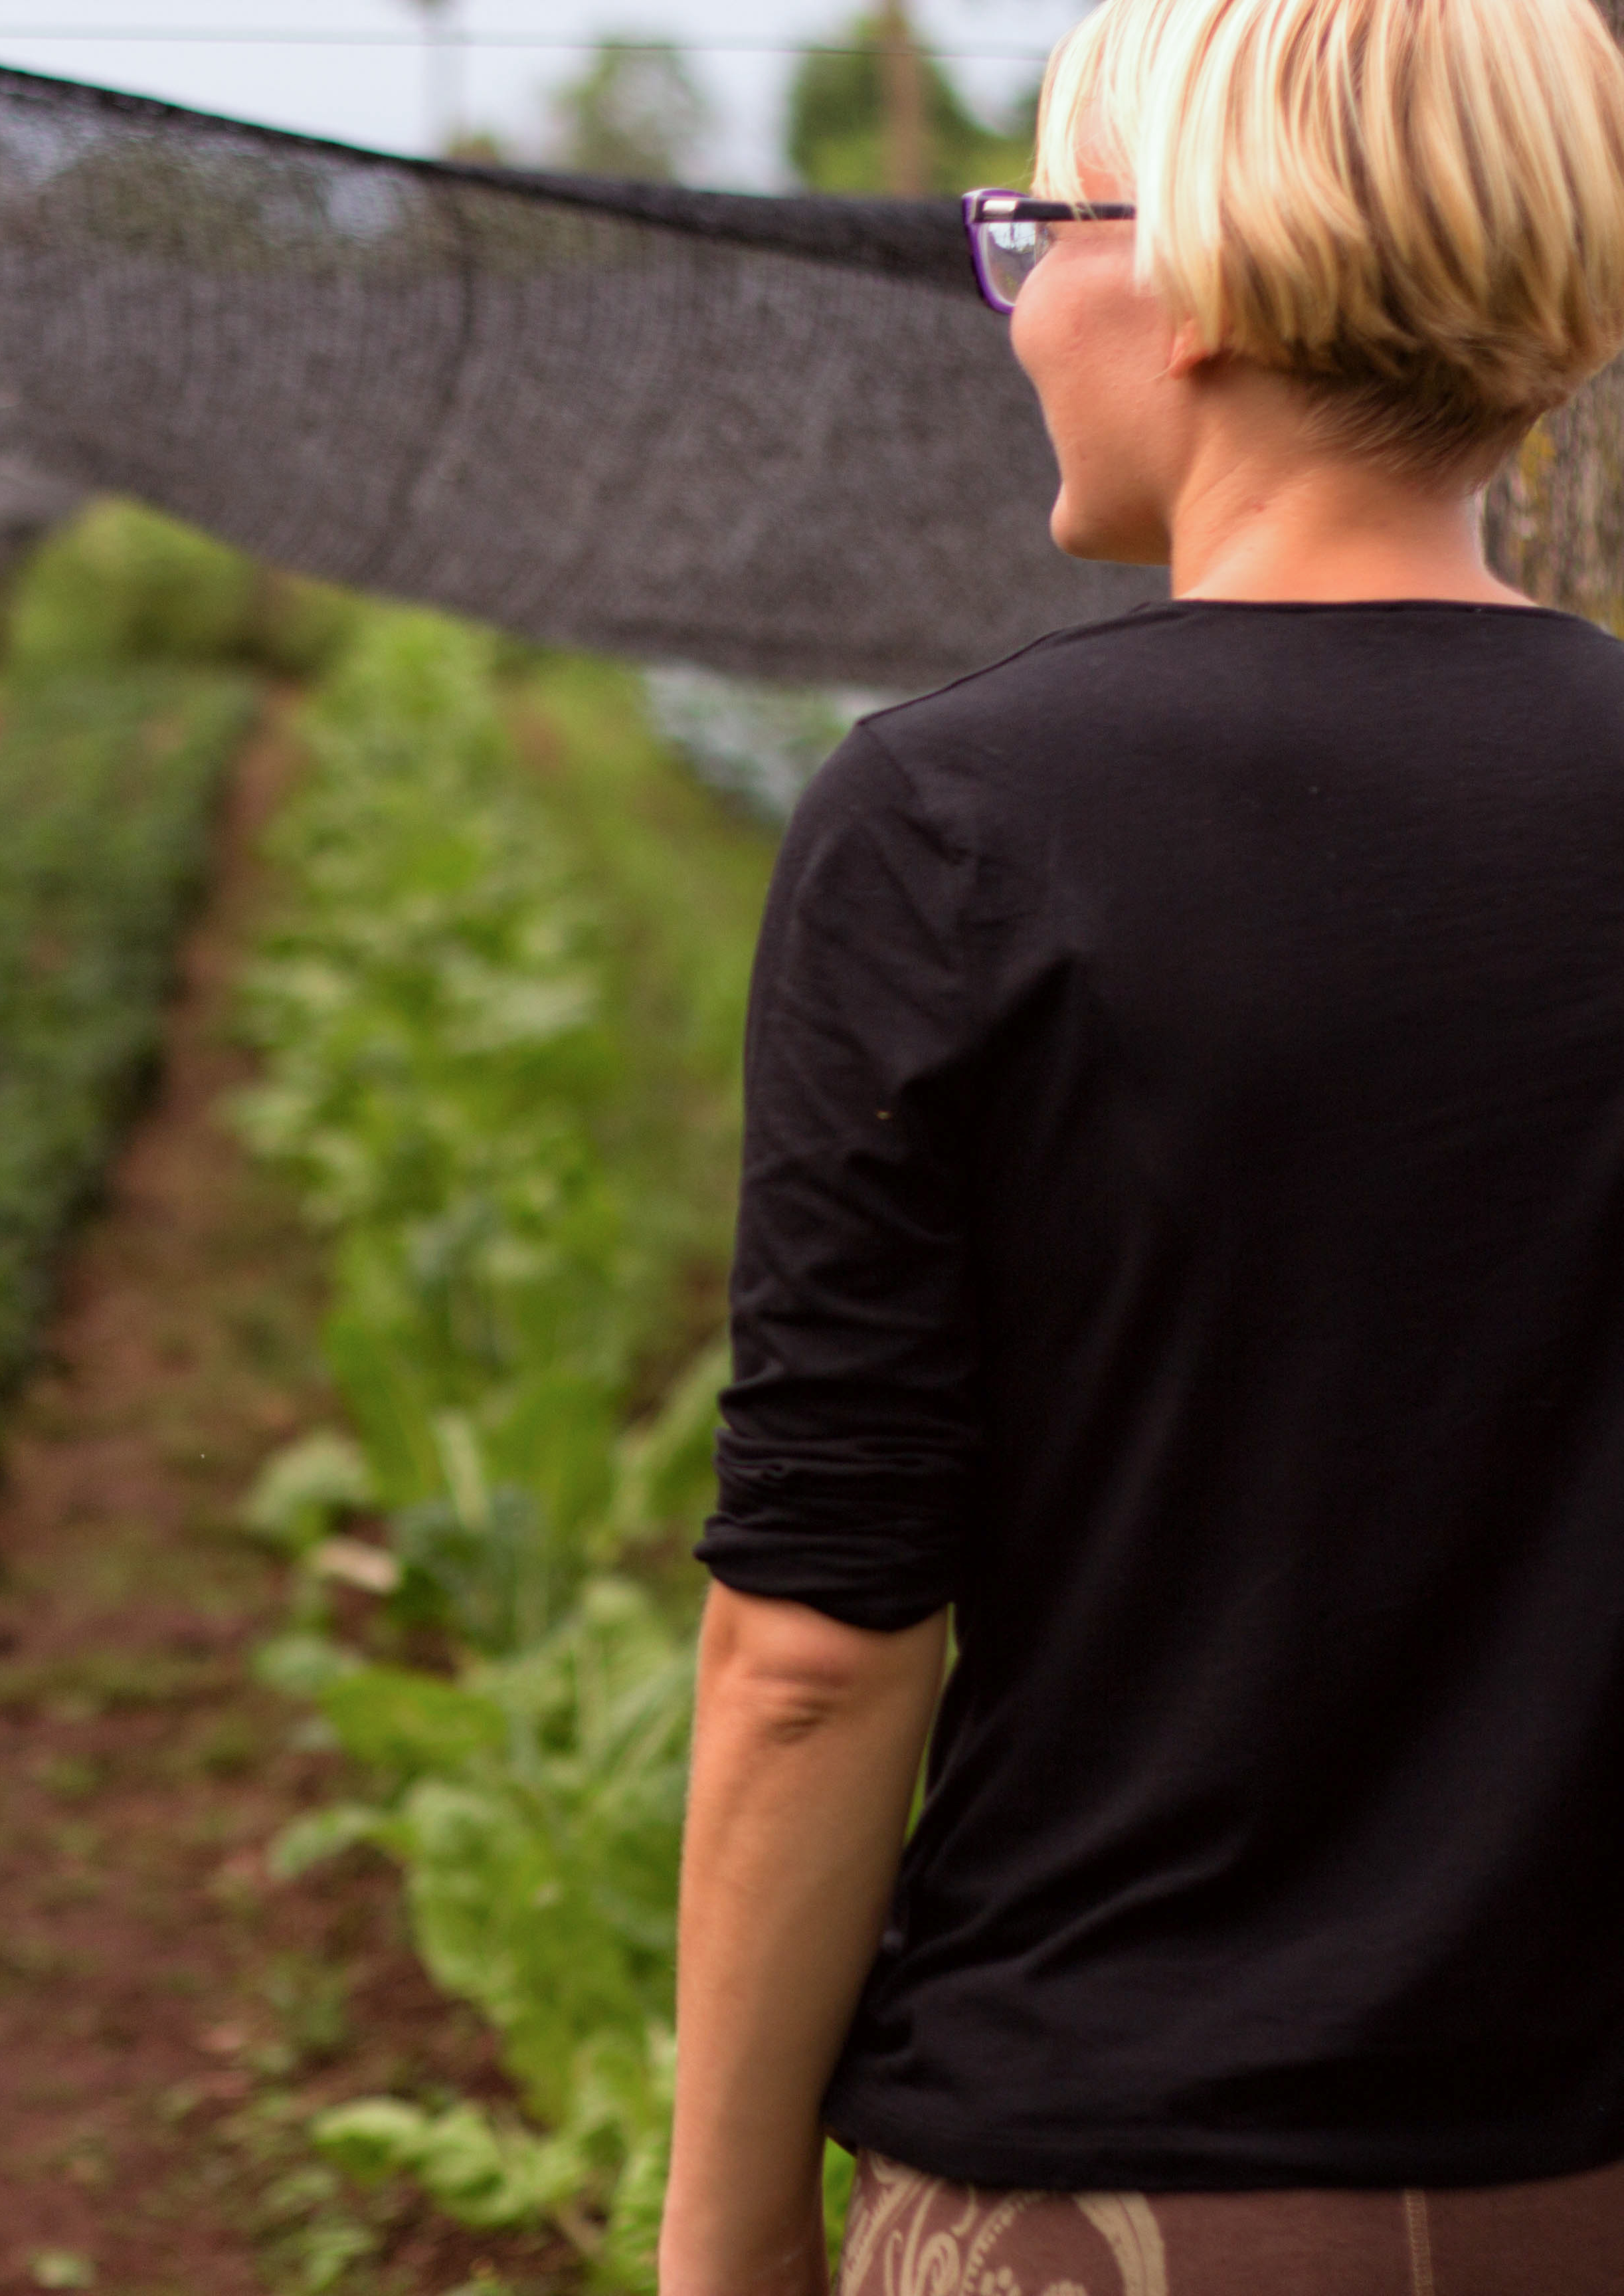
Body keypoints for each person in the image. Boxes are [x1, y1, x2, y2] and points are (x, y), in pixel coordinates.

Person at [660, 0, 1624, 2288]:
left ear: (1189, 274)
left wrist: (724, 2239)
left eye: (1033, 227)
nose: (1015, 306)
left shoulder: (961, 823)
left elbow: (814, 1649)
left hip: (1106, 2182)